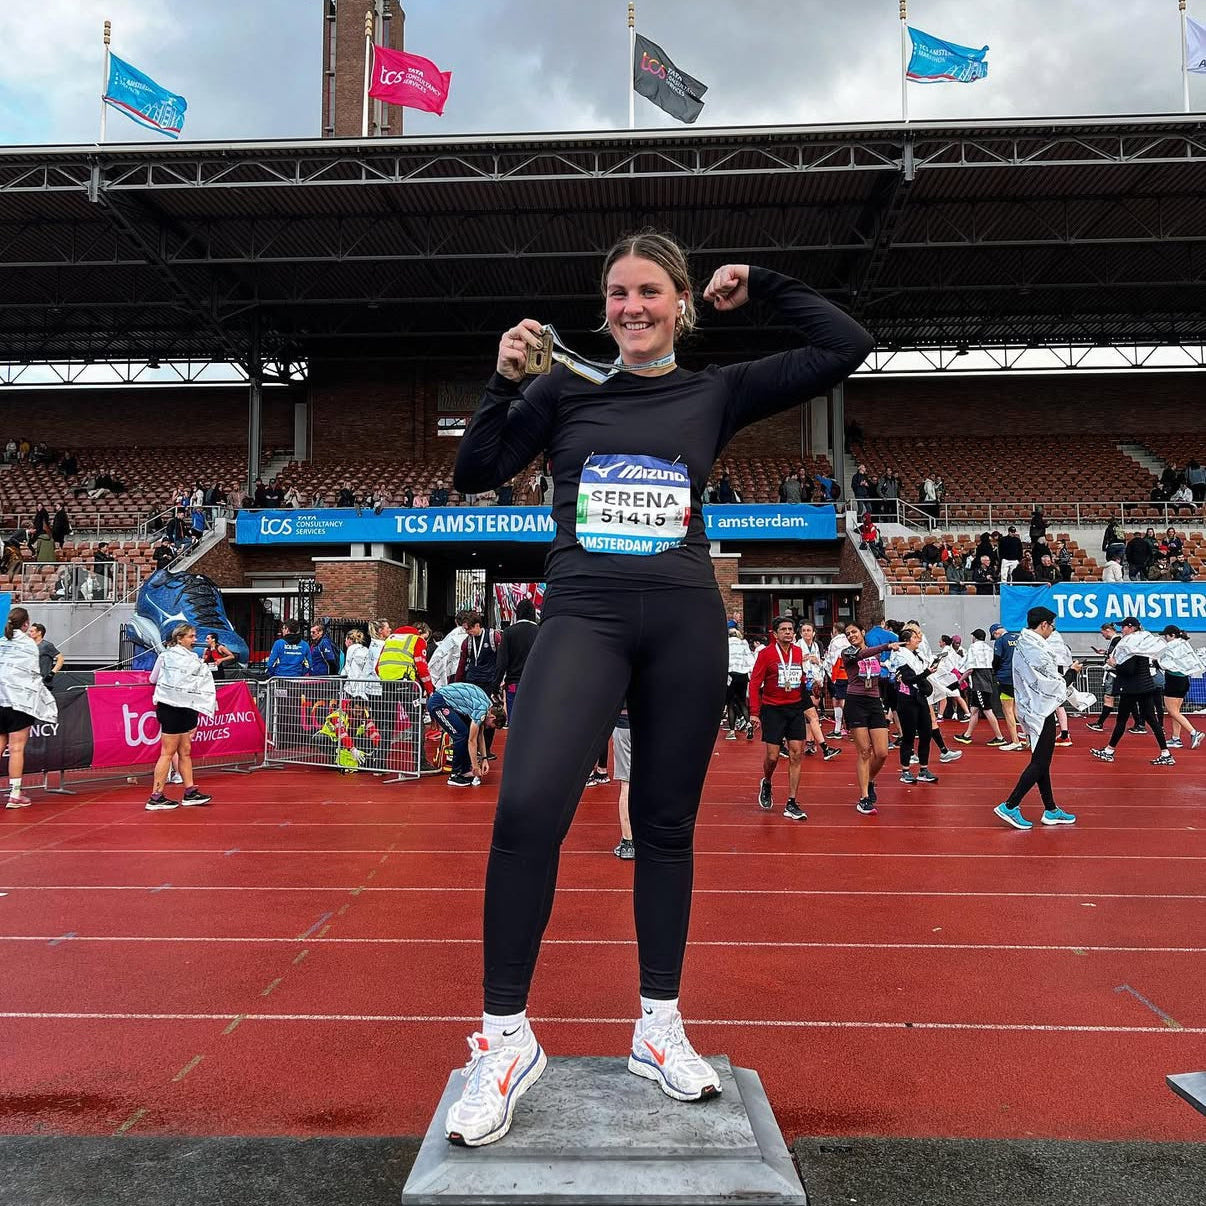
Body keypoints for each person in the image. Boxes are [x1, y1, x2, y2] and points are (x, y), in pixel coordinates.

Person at [444, 230, 873, 1146]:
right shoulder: (565, 391)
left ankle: (658, 1026)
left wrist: (764, 282)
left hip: (683, 622)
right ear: (603, 309)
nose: (630, 307)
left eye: (648, 291)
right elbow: (474, 471)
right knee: (527, 810)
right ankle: (506, 1040)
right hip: (584, 617)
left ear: (680, 302)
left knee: (667, 826)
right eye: (616, 294)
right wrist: (502, 381)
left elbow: (846, 346)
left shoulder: (716, 392)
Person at [993, 608, 1086, 830]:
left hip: (1032, 707)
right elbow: (1051, 684)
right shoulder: (1035, 649)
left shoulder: (1025, 642)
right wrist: (1072, 672)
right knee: (1040, 762)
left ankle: (1051, 809)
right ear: (1044, 624)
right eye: (1052, 625)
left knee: (1041, 761)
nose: (1053, 629)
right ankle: (1010, 805)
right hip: (1040, 710)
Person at [143, 623, 216, 811]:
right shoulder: (166, 656)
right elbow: (153, 679)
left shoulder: (193, 659)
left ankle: (190, 792)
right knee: (167, 753)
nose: (195, 640)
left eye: (194, 636)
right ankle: (156, 796)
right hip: (171, 708)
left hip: (187, 707)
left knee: (185, 751)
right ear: (180, 639)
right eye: (191, 636)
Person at [749, 615, 813, 821]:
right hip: (773, 709)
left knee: (796, 754)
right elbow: (754, 683)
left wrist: (808, 687)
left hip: (795, 708)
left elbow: (799, 676)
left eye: (790, 629)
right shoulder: (766, 654)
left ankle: (792, 801)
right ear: (775, 634)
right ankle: (767, 781)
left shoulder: (798, 651)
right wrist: (754, 712)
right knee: (773, 757)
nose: (788, 632)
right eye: (783, 629)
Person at [1091, 617, 1174, 766]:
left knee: (1122, 720)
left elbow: (1129, 669)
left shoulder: (1131, 645)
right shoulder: (1142, 643)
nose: (1121, 630)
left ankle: (1109, 751)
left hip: (1131, 688)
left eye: (1123, 627)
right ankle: (1165, 753)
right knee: (1152, 720)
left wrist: (1114, 664)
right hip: (1145, 686)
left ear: (1131, 628)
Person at [0, 607, 58, 808]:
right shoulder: (29, 645)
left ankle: (15, 793)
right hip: (19, 702)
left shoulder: (1, 643)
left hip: (0, 699)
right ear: (26, 624)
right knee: (16, 748)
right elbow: (33, 676)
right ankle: (15, 794)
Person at [840, 622, 899, 815]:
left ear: (862, 632)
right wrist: (886, 646)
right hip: (855, 701)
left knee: (882, 752)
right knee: (864, 751)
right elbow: (862, 655)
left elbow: (877, 672)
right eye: (848, 634)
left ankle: (869, 780)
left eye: (854, 632)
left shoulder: (875, 653)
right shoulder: (848, 653)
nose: (851, 636)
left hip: (873, 701)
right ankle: (864, 797)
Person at [426, 681, 507, 788]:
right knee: (461, 735)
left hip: (446, 701)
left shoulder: (488, 706)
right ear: (492, 717)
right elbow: (472, 741)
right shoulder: (481, 710)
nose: (488, 728)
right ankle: (455, 775)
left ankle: (464, 770)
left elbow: (480, 736)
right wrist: (475, 766)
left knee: (466, 733)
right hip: (438, 702)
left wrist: (484, 759)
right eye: (491, 725)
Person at [1157, 626, 1205, 751]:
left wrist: (1156, 662)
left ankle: (1194, 732)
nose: (1165, 638)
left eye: (1166, 636)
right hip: (1183, 680)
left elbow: (1165, 663)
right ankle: (1176, 738)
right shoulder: (1184, 644)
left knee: (1172, 711)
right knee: (1176, 711)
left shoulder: (1171, 646)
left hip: (1174, 680)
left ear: (1172, 635)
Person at [494, 598, 539, 721]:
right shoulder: (540, 632)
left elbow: (501, 663)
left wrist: (496, 685)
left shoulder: (508, 632)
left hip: (514, 684)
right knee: (534, 720)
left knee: (514, 720)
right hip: (536, 685)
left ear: (517, 613)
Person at [611, 703, 635, 860]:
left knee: (626, 784)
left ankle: (628, 842)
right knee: (649, 782)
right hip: (648, 724)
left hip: (624, 723)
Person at [724, 624, 755, 740]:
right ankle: (748, 724)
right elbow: (750, 660)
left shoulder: (726, 644)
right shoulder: (744, 643)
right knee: (742, 701)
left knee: (731, 703)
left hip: (731, 675)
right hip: (743, 675)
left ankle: (732, 731)